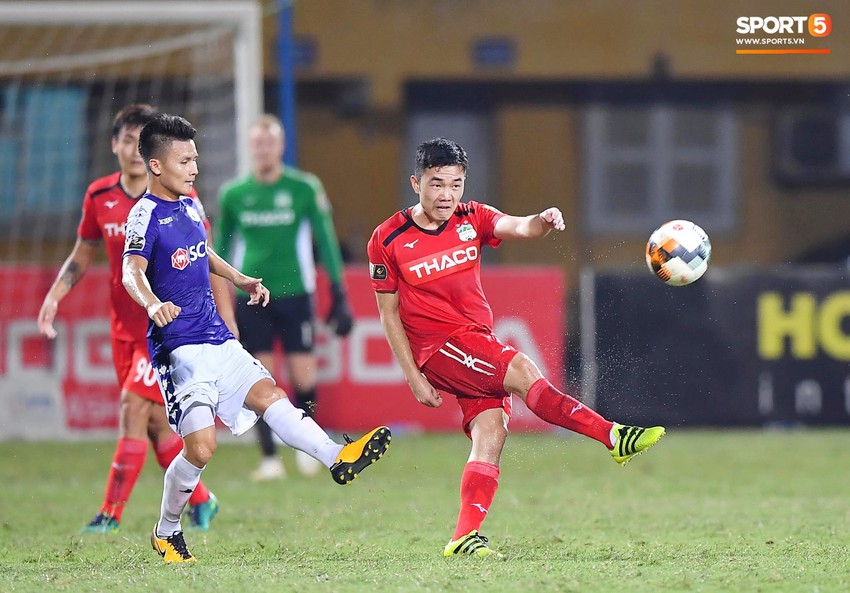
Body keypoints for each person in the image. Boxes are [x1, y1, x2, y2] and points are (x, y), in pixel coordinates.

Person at [367, 137, 666, 558]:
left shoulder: (472, 217)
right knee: (524, 370)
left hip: (476, 340)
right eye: (436, 184)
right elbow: (387, 313)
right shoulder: (388, 238)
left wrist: (543, 221)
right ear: (416, 183)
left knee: (491, 433)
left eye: (455, 184)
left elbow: (519, 226)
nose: (447, 195)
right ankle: (612, 436)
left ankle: (462, 538)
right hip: (440, 349)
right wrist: (413, 377)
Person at [122, 114, 390, 563]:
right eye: (185, 160)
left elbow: (202, 252)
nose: (194, 169)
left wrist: (240, 278)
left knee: (271, 394)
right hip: (178, 350)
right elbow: (131, 271)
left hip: (215, 338)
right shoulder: (144, 215)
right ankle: (166, 531)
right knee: (202, 449)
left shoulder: (190, 206)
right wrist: (152, 304)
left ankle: (336, 457)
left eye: (196, 160)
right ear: (155, 165)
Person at [37, 104, 223, 534]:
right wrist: (55, 295)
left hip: (165, 327)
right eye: (127, 141)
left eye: (141, 142)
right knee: (158, 425)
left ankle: (110, 514)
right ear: (117, 146)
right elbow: (83, 254)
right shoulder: (99, 197)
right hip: (123, 331)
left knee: (133, 408)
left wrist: (222, 314)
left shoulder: (183, 198)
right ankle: (201, 499)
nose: (135, 151)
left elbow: (203, 261)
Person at [217, 114, 354, 481]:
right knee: (260, 378)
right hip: (253, 298)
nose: (263, 149)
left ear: (281, 146)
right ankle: (269, 459)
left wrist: (339, 292)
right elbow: (219, 250)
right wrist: (216, 295)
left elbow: (325, 239)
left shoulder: (304, 188)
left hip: (296, 295)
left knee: (302, 376)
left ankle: (309, 448)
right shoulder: (234, 194)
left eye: (270, 142)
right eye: (257, 143)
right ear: (251, 147)